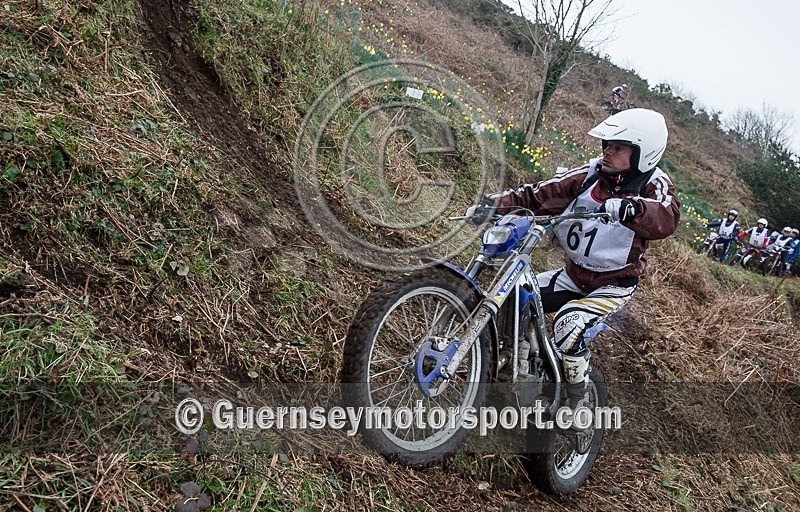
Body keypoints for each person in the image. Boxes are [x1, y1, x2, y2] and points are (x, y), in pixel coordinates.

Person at [465, 108, 679, 420]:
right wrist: (491, 204)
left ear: (643, 153)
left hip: (613, 285)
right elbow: (537, 195)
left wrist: (633, 209)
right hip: (572, 276)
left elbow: (666, 216)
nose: (608, 151)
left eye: (618, 147)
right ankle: (517, 372)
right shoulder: (589, 175)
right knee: (512, 296)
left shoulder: (654, 185)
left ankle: (576, 406)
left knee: (569, 322)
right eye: (607, 144)